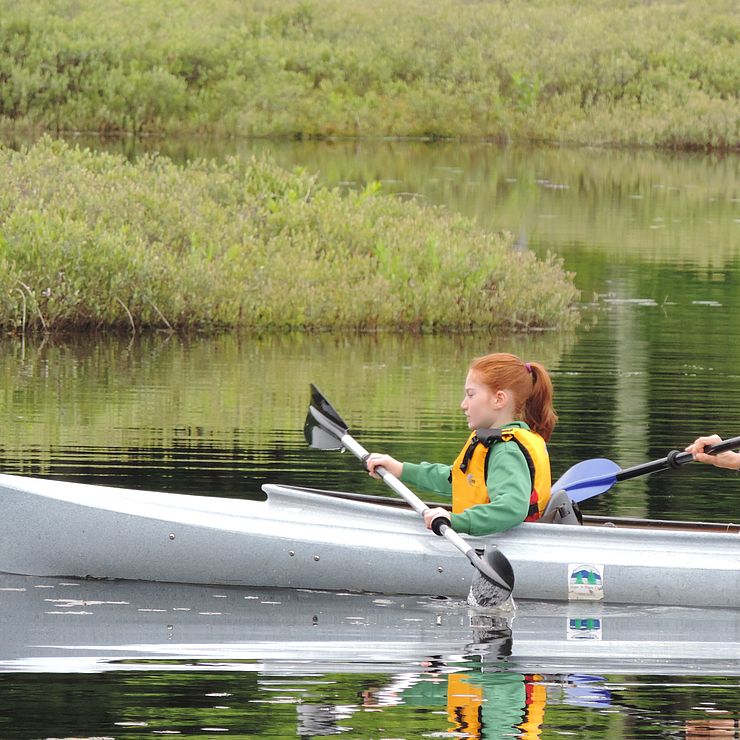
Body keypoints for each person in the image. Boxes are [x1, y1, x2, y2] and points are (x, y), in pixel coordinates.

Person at [365, 352, 557, 536]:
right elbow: (460, 479)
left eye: (471, 395)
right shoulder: (498, 444)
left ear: (499, 399)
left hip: (508, 547)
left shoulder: (506, 450)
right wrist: (400, 469)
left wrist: (456, 521)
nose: (463, 404)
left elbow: (512, 508)